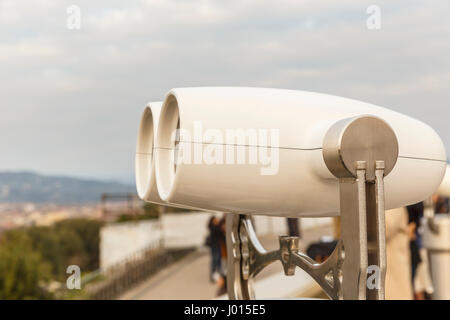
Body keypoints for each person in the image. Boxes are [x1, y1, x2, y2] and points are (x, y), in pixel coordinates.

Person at [207, 215, 223, 282]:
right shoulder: (213, 227)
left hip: (218, 245)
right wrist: (218, 225)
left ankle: (218, 276)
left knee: (218, 261)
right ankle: (213, 276)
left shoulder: (216, 226)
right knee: (215, 260)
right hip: (215, 246)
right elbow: (217, 232)